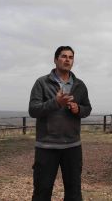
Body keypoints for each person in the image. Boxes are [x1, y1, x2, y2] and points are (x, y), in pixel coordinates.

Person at [29, 46, 92, 201]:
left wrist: (78, 109)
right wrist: (56, 102)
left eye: (70, 57)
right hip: (46, 146)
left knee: (74, 192)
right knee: (42, 191)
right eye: (63, 56)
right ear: (56, 59)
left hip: (72, 146)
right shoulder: (42, 83)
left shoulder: (79, 85)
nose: (67, 60)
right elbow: (33, 110)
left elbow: (87, 108)